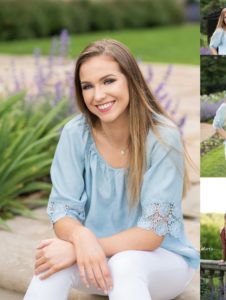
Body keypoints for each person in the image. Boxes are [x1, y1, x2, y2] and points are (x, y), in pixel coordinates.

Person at [24, 39, 199, 300]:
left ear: (131, 79)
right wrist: (79, 235)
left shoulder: (162, 137)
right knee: (51, 266)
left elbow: (151, 234)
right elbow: (62, 211)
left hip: (161, 263)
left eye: (108, 81)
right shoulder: (75, 133)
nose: (98, 95)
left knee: (125, 263)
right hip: (95, 261)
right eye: (87, 86)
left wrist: (84, 247)